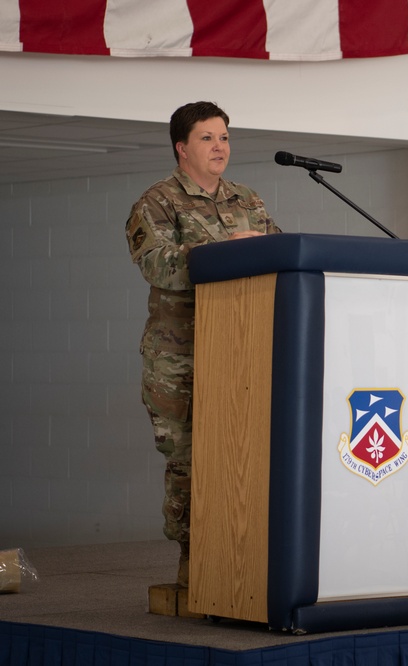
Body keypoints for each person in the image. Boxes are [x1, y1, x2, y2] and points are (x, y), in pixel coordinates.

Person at [125, 101, 281, 586]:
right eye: (208, 138)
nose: (220, 147)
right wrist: (222, 252)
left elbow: (276, 250)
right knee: (189, 458)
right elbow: (159, 264)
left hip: (244, 348)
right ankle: (193, 554)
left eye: (225, 137)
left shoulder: (247, 200)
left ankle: (241, 555)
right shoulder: (157, 202)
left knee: (243, 452)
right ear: (182, 148)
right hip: (181, 354)